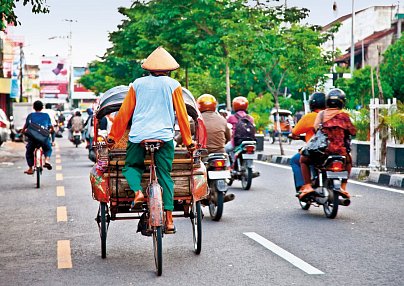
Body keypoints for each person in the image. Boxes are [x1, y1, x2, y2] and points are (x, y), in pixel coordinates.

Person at [106, 46, 194, 233]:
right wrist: (188, 142)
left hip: (139, 136)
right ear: (169, 70)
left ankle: (138, 192)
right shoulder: (174, 85)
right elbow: (182, 115)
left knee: (131, 166)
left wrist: (113, 138)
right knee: (165, 176)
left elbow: (124, 113)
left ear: (148, 69)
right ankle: (169, 220)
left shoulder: (136, 84)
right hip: (164, 137)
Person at [298, 88, 356, 200]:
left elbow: (316, 129)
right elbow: (353, 131)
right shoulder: (345, 116)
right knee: (349, 162)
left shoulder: (322, 114)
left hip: (323, 152)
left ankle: (308, 186)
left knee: (303, 160)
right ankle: (343, 186)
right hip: (341, 152)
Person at [289, 92, 326, 192]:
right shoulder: (333, 116)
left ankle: (304, 186)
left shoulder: (310, 117)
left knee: (295, 160)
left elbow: (295, 132)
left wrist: (293, 135)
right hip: (333, 150)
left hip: (316, 151)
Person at [23, 100, 53, 174]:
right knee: (48, 149)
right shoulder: (46, 115)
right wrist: (50, 131)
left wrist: (22, 131)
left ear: (33, 107)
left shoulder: (30, 115)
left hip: (33, 138)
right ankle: (46, 160)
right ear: (42, 107)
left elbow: (26, 126)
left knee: (29, 152)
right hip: (44, 138)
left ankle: (30, 168)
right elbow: (50, 127)